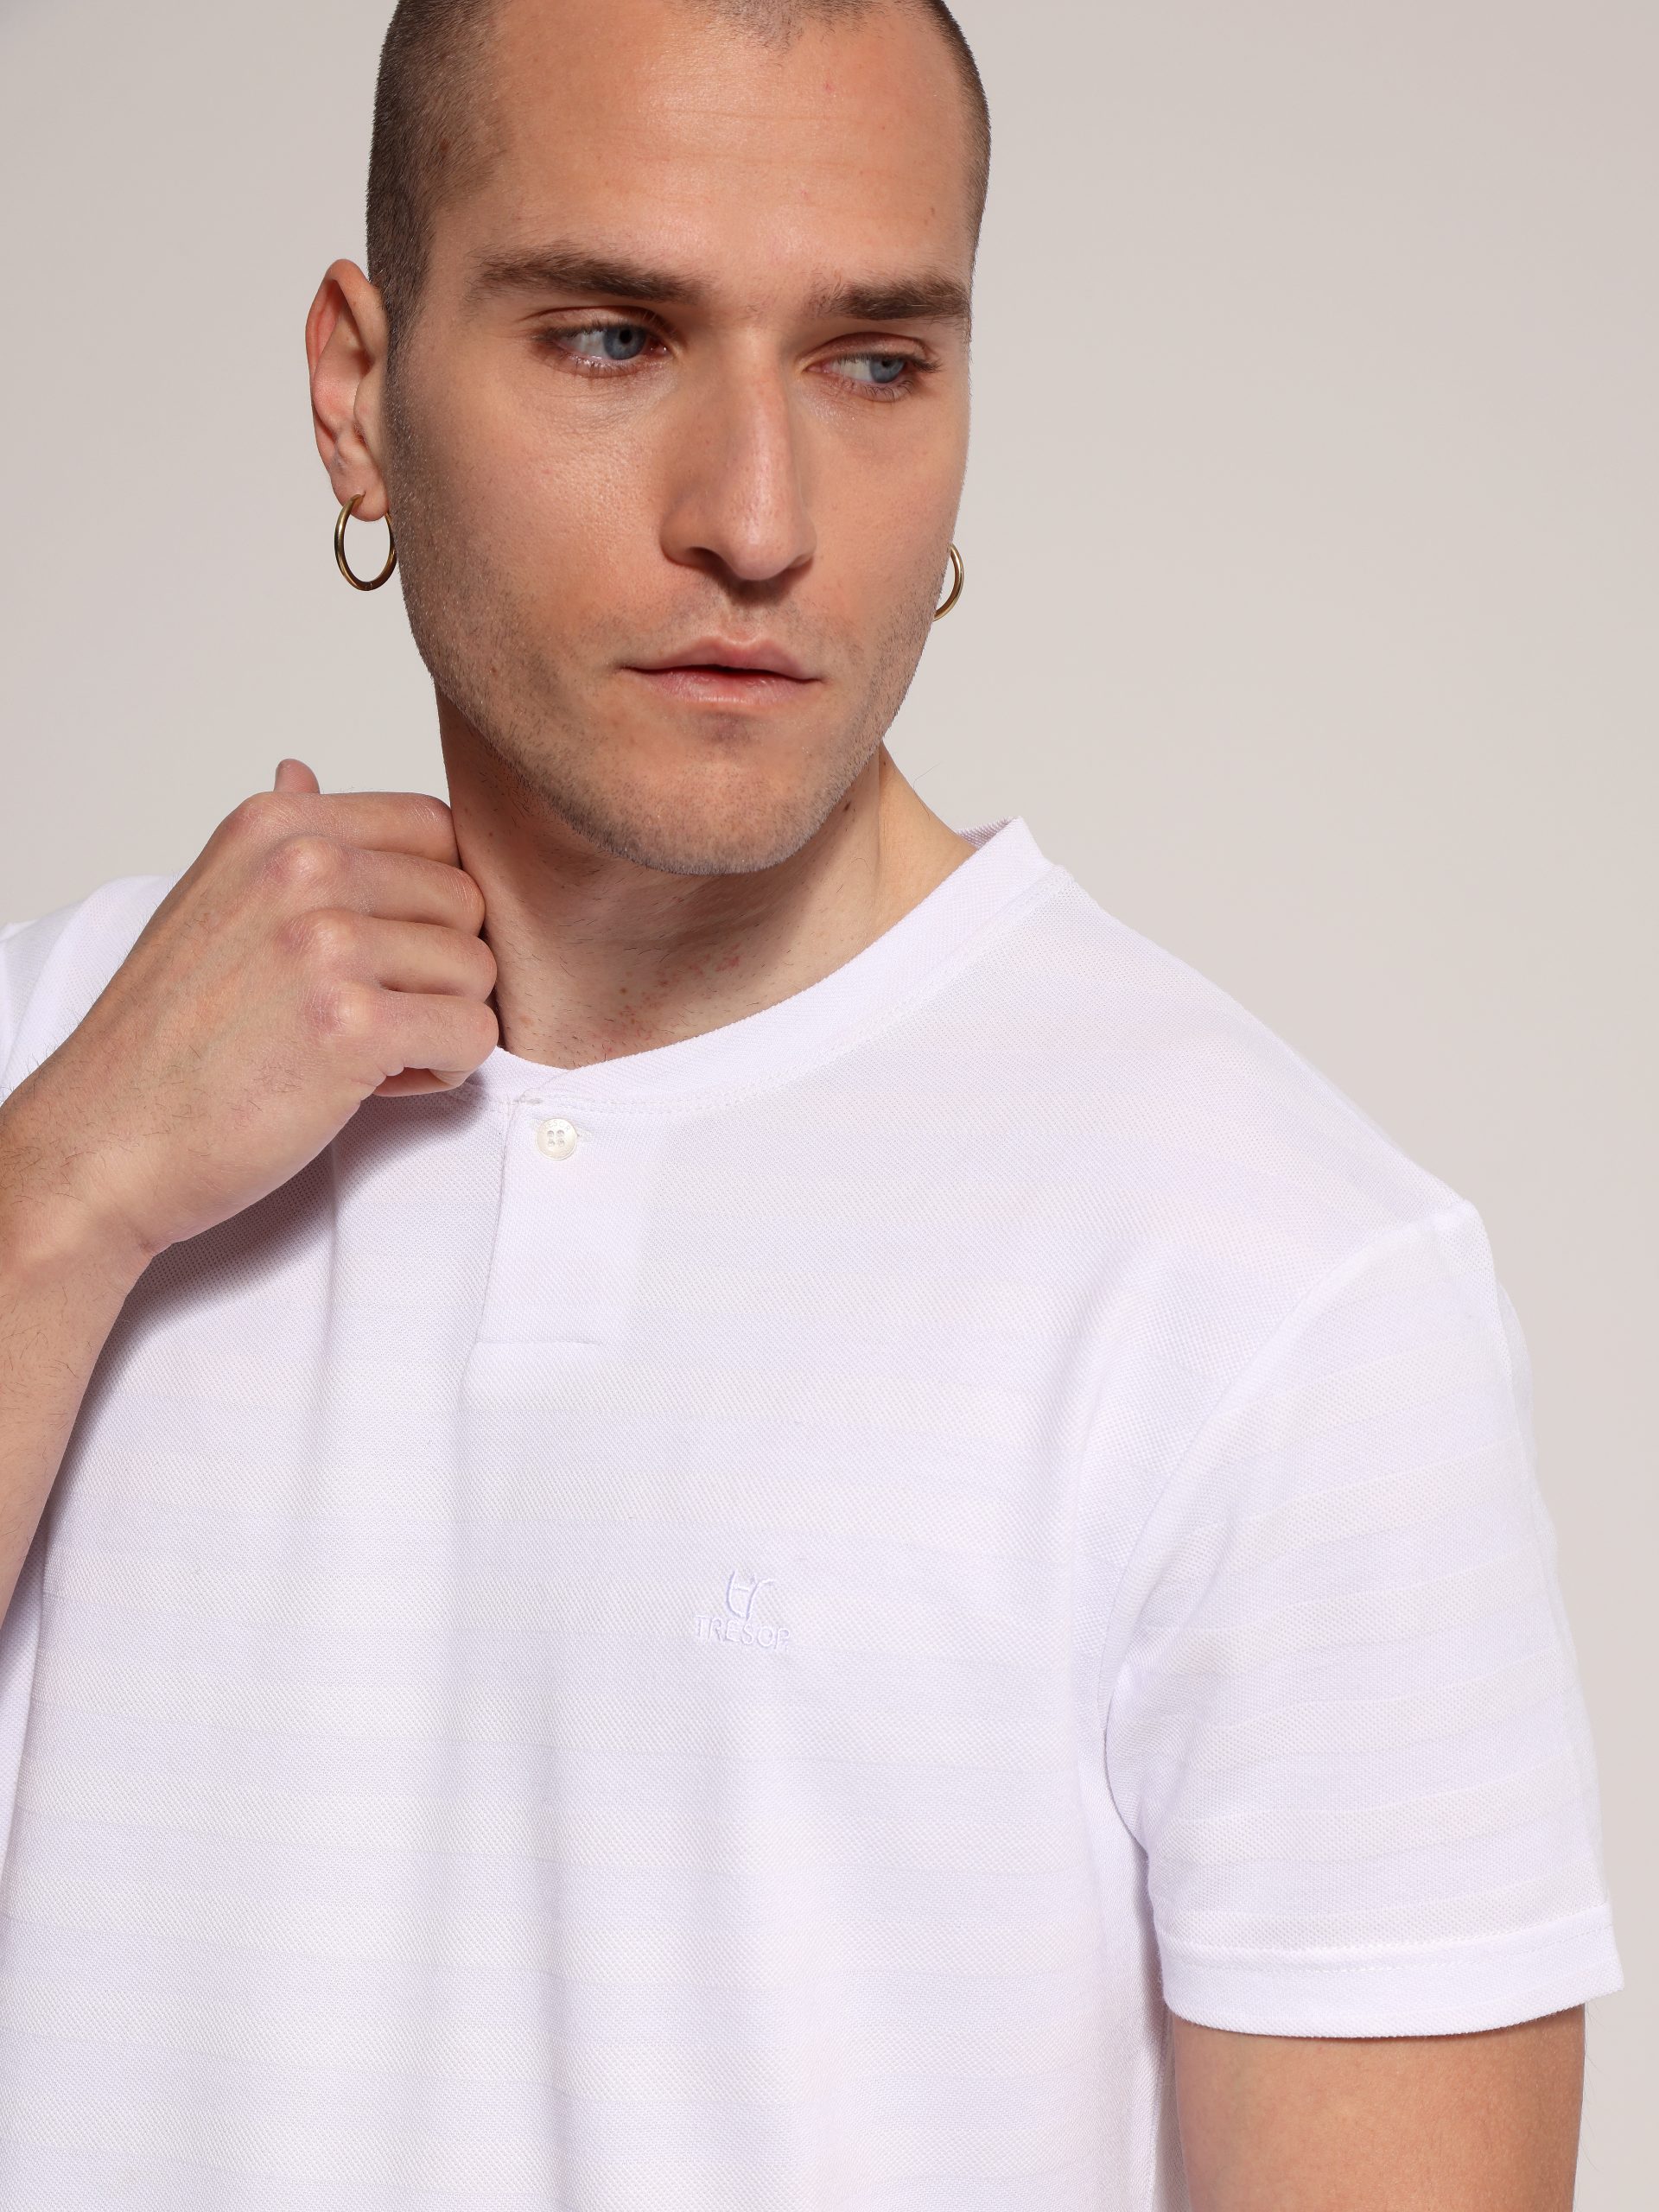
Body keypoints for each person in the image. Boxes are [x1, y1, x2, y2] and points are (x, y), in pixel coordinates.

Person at [0, 0, 1622, 2203]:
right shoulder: (64, 1069)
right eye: (612, 338)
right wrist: (65, 1192)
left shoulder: (1283, 1286)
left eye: (871, 363)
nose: (758, 521)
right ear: (355, 395)